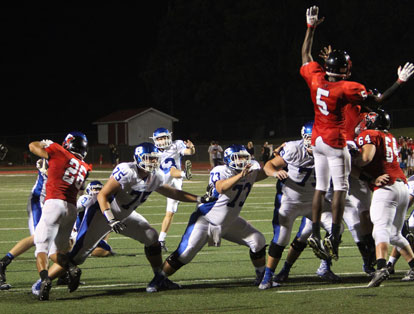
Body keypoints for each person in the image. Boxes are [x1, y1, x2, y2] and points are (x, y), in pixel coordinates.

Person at [301, 5, 414, 261]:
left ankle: (318, 232)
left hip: (317, 138)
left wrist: (310, 28)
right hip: (335, 142)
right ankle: (336, 236)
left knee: (322, 188)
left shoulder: (316, 78)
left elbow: (305, 56)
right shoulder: (348, 90)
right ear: (346, 70)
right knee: (345, 194)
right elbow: (378, 99)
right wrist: (400, 82)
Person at [146, 144, 268, 293]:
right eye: (238, 157)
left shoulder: (250, 172)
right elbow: (220, 187)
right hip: (206, 220)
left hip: (229, 222)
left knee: (258, 241)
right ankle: (158, 280)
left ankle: (262, 276)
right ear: (229, 159)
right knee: (185, 254)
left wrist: (276, 164)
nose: (242, 160)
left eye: (244, 157)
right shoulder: (220, 170)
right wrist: (241, 175)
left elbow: (266, 172)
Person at [258, 122, 341, 289]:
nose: (315, 142)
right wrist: (275, 172)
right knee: (281, 238)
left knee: (336, 228)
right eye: (311, 139)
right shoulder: (293, 149)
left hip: (314, 202)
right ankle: (267, 277)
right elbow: (269, 165)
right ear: (304, 138)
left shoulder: (329, 150)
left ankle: (324, 264)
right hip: (290, 201)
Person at [353, 110, 414, 287]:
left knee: (379, 229)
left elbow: (366, 158)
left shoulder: (369, 134)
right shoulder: (389, 136)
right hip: (402, 186)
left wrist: (350, 159)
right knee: (394, 233)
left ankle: (381, 268)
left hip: (385, 186)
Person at [28, 131, 91, 301]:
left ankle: (44, 280)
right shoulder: (85, 167)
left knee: (41, 246)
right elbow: (78, 188)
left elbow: (32, 146)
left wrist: (43, 143)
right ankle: (71, 268)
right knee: (58, 250)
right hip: (71, 208)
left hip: (53, 204)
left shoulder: (58, 150)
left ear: (68, 143)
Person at [0, 159, 48, 290]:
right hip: (38, 203)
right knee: (39, 238)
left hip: (51, 204)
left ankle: (62, 273)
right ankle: (3, 263)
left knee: (61, 237)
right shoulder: (55, 159)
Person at [150, 127, 195, 252]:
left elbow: (189, 152)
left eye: (164, 137)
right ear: (155, 140)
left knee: (170, 212)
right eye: (160, 138)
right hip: (162, 178)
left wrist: (191, 147)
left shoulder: (176, 145)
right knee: (170, 170)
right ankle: (185, 174)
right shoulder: (153, 150)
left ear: (169, 137)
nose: (163, 140)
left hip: (176, 181)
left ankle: (161, 240)